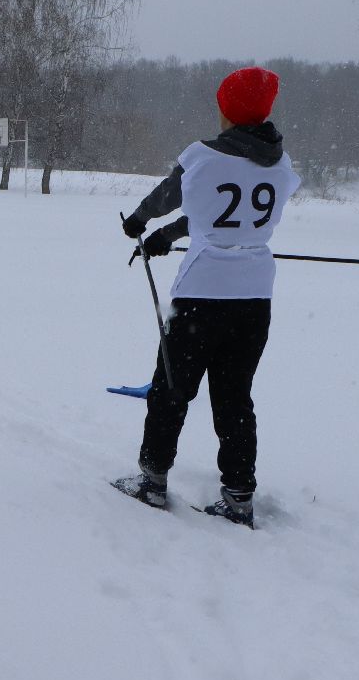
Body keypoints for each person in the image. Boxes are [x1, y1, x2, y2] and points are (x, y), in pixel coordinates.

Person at [114, 66, 300, 527]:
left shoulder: (202, 156)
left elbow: (171, 196)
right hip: (255, 298)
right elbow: (218, 214)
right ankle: (239, 498)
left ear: (227, 110)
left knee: (172, 388)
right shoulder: (280, 164)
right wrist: (169, 235)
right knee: (235, 397)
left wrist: (139, 221)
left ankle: (152, 481)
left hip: (202, 295)